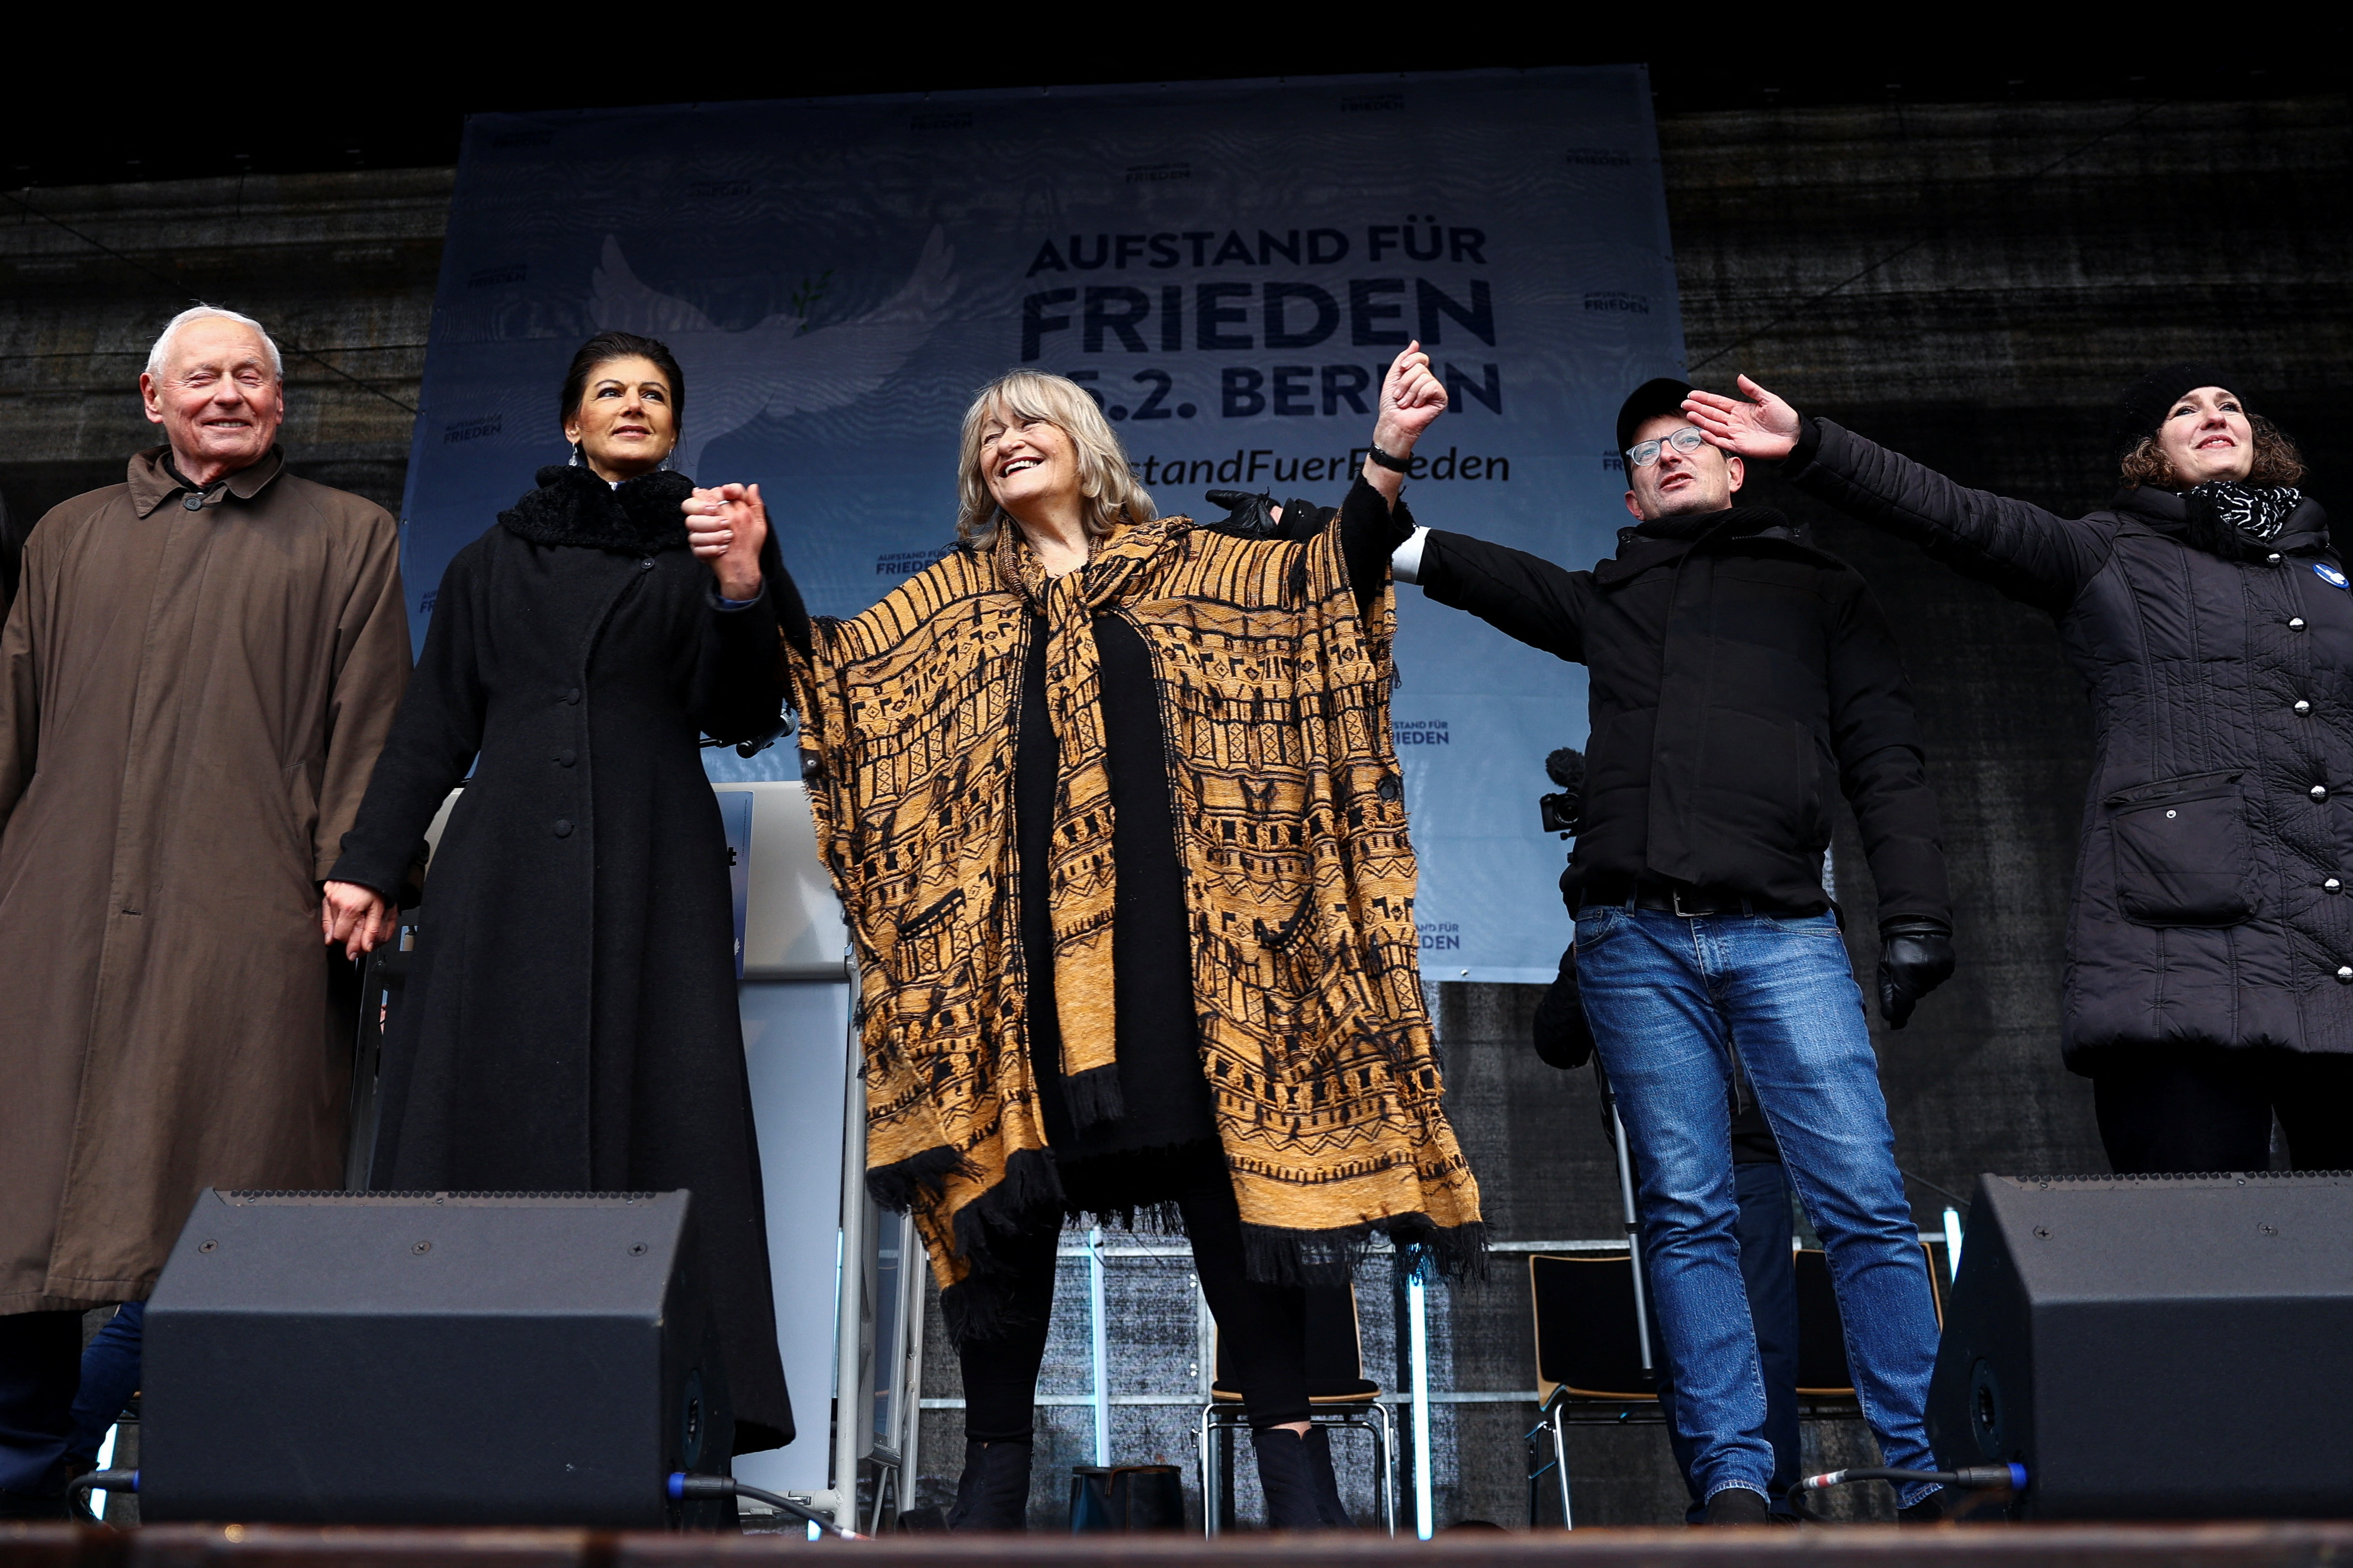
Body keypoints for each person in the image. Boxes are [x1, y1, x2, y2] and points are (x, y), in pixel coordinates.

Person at [688, 346, 1483, 1529]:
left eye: (1030, 423)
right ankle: (992, 1495)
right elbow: (837, 685)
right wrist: (758, 578)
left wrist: (1386, 455)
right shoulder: (948, 609)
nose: (1006, 440)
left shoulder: (1192, 570)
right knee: (1001, 1196)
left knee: (1235, 1193)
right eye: (987, 434)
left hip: (1192, 958)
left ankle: (1305, 1501)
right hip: (1014, 973)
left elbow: (1326, 588)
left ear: (1082, 444)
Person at [1365, 376, 1955, 1524]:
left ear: (1739, 466)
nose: (1669, 454)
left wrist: (1918, 907)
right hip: (1633, 939)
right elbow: (1447, 561)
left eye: (1691, 439)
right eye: (1645, 450)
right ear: (1630, 495)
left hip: (1781, 926)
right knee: (1685, 1212)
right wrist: (1378, 468)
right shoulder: (1614, 598)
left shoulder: (1819, 590)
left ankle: (1928, 1475)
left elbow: (1886, 757)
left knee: (1865, 1204)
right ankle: (1734, 1477)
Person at [1686, 368, 2353, 1174]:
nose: (2214, 415)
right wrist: (1811, 446)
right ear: (2148, 452)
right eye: (2185, 410)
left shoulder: (2324, 574)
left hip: (2330, 940)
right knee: (2202, 1247)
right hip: (2179, 947)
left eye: (2231, 405)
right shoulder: (2105, 549)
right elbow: (1952, 513)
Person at [322, 331, 794, 1453]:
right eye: (609, 392)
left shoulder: (715, 539)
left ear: (676, 426)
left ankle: (666, 1419)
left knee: (662, 1112)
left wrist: (741, 591)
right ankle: (449, 1403)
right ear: (571, 424)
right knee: (475, 1107)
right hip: (502, 876)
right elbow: (433, 724)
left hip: (653, 868)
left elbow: (740, 714)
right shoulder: (493, 557)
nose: (633, 405)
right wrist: (367, 861)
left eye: (655, 395)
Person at [0, 306, 411, 1518]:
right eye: (202, 376)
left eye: (249, 376)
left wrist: (361, 864)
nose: (226, 392)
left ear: (281, 405)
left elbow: (376, 716)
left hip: (251, 926)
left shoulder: (348, 535)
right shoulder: (68, 537)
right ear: (149, 396)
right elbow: (12, 717)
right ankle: (21, 1499)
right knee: (24, 1227)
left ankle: (210, 1514)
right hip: (54, 924)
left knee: (233, 1222)